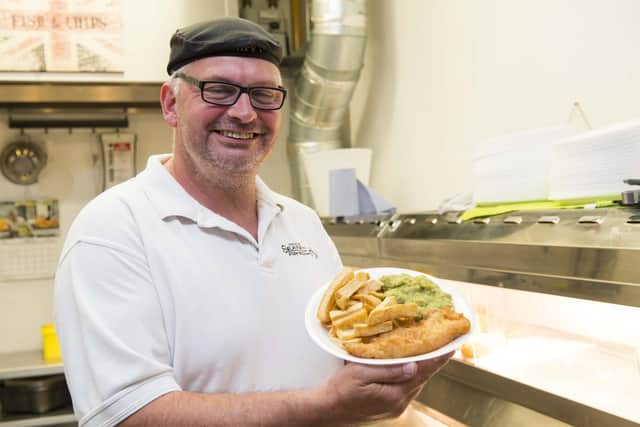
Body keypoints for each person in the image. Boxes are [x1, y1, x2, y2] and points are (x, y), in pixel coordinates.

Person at [54, 17, 452, 427]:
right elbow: (129, 416)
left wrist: (400, 364)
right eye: (220, 90)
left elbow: (343, 353)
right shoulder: (113, 230)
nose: (245, 113)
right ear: (171, 105)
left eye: (263, 95)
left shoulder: (301, 222)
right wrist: (327, 405)